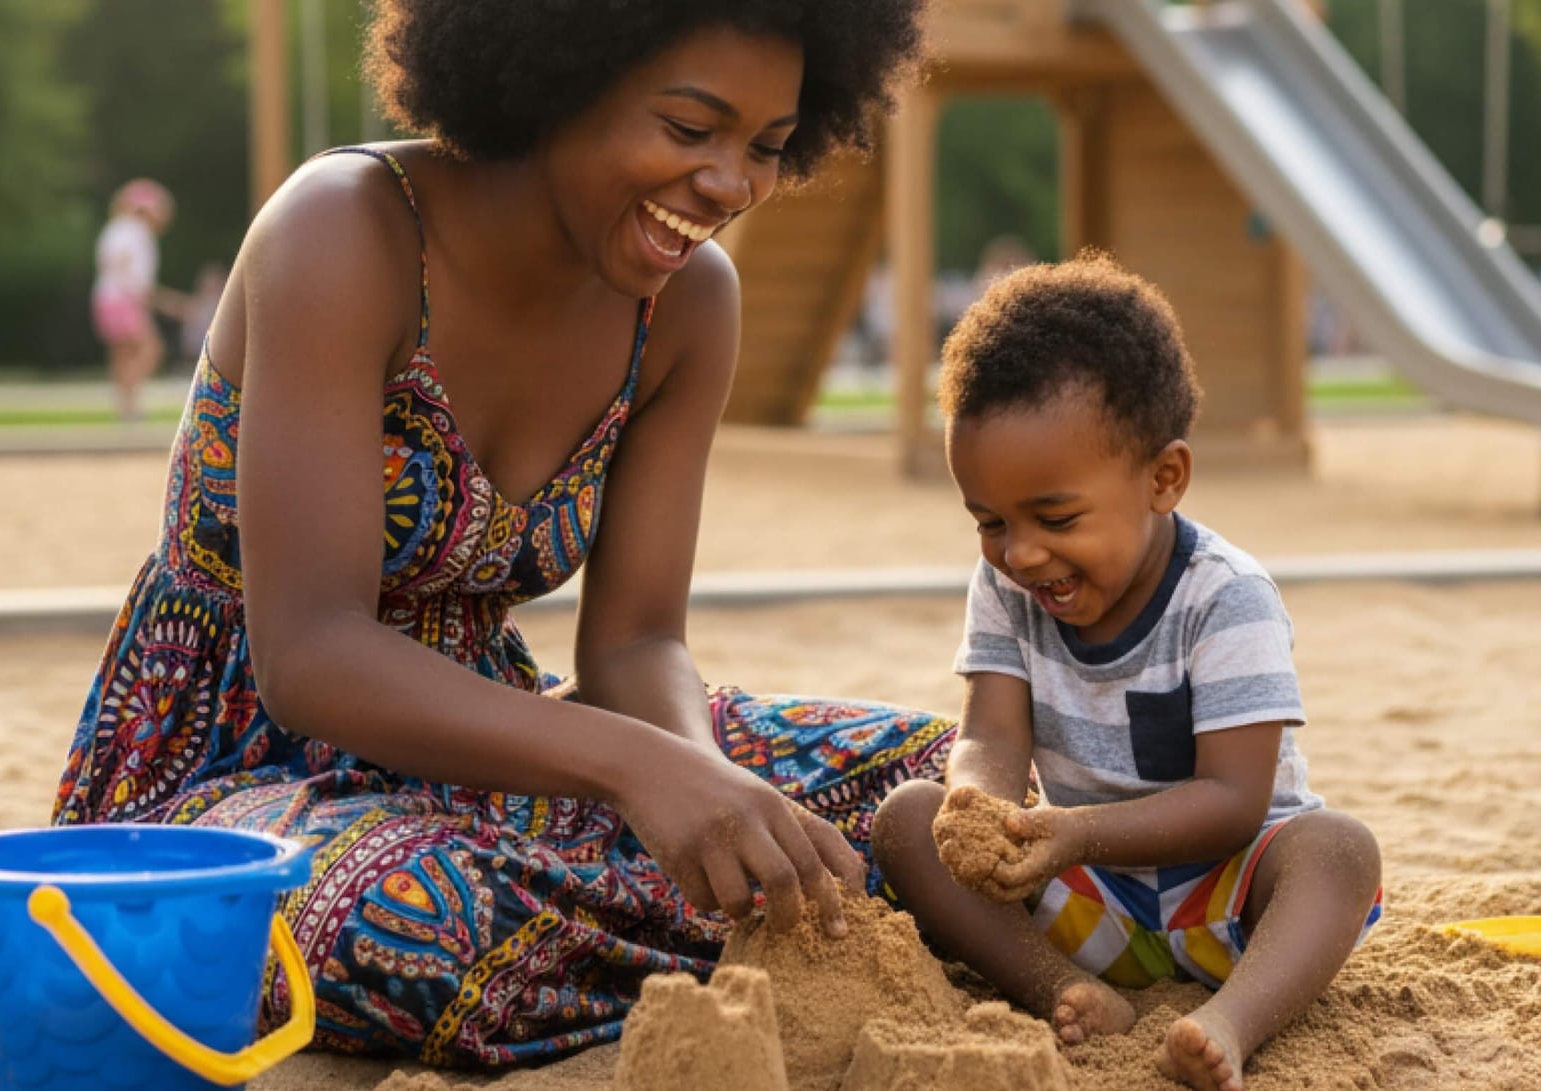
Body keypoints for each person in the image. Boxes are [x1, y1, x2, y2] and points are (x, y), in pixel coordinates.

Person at [51, 0, 950, 1068]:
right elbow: (311, 655)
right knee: (409, 919)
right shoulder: (341, 231)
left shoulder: (691, 303)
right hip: (231, 781)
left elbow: (634, 645)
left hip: (505, 753)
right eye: (687, 127)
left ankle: (695, 938)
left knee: (935, 780)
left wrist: (706, 792)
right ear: (552, 79)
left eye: (764, 146)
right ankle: (739, 954)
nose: (730, 182)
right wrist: (635, 775)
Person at [872, 257, 1383, 1091]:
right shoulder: (1008, 586)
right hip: (1085, 903)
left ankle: (1231, 1019)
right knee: (908, 817)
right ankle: (1066, 989)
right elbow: (992, 731)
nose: (1023, 552)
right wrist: (985, 804)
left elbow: (1234, 800)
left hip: (1230, 900)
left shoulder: (1227, 597)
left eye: (1057, 517)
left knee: (1337, 850)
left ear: (1163, 478)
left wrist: (1074, 833)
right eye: (989, 521)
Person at [92, 177, 173, 421]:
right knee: (151, 349)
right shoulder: (137, 233)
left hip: (106, 298)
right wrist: (150, 298)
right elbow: (129, 272)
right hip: (125, 299)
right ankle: (131, 394)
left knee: (123, 355)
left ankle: (126, 408)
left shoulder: (114, 229)